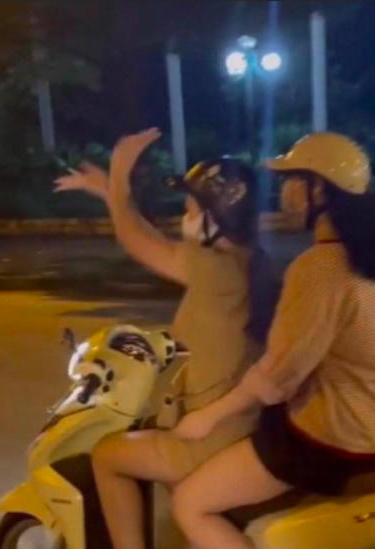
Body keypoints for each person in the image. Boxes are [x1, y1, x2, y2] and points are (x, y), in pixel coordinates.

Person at [171, 132, 375, 549]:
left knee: (191, 503)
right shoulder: (371, 263)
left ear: (318, 190)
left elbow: (279, 375)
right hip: (374, 428)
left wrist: (207, 417)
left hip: (330, 440)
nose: (283, 192)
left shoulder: (319, 268)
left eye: (291, 179)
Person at [53, 128, 278, 549]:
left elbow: (139, 242)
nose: (184, 215)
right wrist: (112, 197)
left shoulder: (215, 270)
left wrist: (118, 177)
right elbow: (154, 241)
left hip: (210, 437)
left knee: (107, 455)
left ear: (216, 217)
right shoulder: (250, 260)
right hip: (242, 424)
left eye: (192, 206)